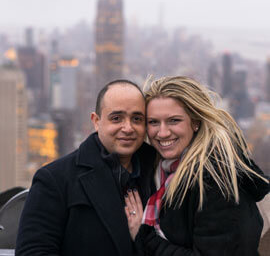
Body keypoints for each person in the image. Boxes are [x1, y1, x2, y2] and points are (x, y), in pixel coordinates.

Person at [125, 76, 270, 256]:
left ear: (195, 122)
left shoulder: (216, 180)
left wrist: (144, 235)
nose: (162, 133)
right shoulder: (163, 170)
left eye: (174, 120)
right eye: (153, 122)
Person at [15, 80, 156, 256]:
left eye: (137, 119)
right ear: (96, 121)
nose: (128, 128)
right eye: (116, 118)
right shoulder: (55, 179)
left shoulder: (160, 172)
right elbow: (33, 252)